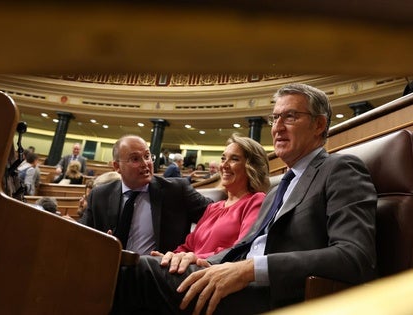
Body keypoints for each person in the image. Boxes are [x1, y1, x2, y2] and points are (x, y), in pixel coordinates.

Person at [113, 83, 378, 314]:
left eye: (290, 117)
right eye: (274, 118)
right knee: (128, 266)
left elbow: (355, 256)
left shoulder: (340, 169)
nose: (277, 128)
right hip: (232, 281)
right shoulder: (278, 190)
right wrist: (201, 260)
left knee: (131, 273)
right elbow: (244, 247)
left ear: (319, 124)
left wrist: (251, 270)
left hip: (275, 295)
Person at [79, 135, 213, 255]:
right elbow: (82, 238)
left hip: (157, 274)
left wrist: (193, 252)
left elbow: (216, 215)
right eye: (135, 159)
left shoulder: (177, 190)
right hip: (109, 270)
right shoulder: (100, 195)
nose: (145, 164)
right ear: (117, 166)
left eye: (147, 156)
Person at [152, 133, 269, 265]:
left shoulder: (256, 201)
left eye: (234, 159)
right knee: (145, 263)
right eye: (223, 158)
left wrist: (197, 259)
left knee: (141, 267)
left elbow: (242, 249)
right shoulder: (212, 207)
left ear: (251, 167)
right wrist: (171, 257)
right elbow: (187, 247)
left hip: (213, 272)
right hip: (187, 270)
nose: (224, 165)